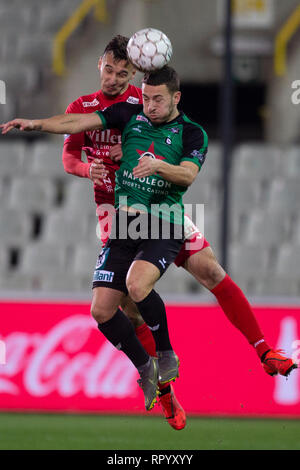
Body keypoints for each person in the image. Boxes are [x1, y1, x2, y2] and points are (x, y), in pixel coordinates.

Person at [1, 62, 297, 413]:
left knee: (210, 273)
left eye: (157, 100)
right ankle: (163, 387)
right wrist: (34, 124)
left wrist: (155, 164)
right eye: (146, 98)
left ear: (176, 98)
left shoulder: (190, 133)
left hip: (168, 218)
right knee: (119, 306)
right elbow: (75, 125)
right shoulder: (128, 114)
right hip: (126, 220)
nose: (150, 106)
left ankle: (264, 350)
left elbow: (187, 176)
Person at [62, 35, 186, 430]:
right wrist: (89, 168)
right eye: (109, 69)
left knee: (203, 270)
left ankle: (166, 374)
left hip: (153, 208)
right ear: (99, 64)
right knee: (118, 309)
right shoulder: (81, 108)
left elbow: (173, 139)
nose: (114, 79)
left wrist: (130, 153)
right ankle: (159, 380)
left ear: (134, 73)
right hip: (110, 214)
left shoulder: (142, 103)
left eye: (123, 72)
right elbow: (69, 157)